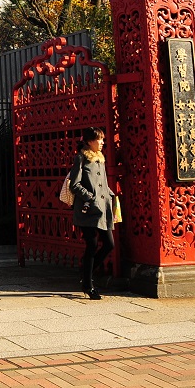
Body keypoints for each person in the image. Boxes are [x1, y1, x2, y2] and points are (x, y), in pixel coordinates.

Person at [67, 126, 115, 300]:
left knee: (109, 244)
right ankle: (88, 285)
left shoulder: (100, 159)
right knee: (92, 245)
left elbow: (103, 183)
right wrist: (90, 197)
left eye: (102, 139)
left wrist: (111, 196)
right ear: (89, 141)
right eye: (99, 139)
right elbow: (74, 184)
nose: (102, 142)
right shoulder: (81, 158)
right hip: (87, 210)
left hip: (102, 209)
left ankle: (86, 273)